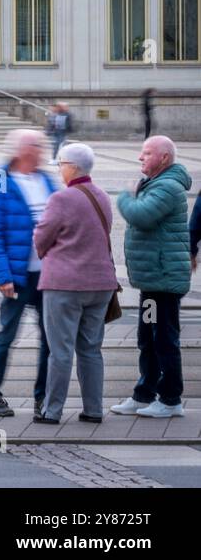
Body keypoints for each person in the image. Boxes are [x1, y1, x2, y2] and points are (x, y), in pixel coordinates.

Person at [32, 144, 120, 425]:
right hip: (102, 284)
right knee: (91, 349)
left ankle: (52, 411)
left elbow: (41, 238)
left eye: (60, 164)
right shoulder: (102, 196)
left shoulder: (62, 198)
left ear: (72, 166)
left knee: (60, 351)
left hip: (66, 285)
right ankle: (93, 409)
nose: (58, 169)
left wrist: (49, 252)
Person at [110, 136, 194, 418]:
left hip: (163, 282)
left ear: (164, 158)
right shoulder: (156, 184)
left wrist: (125, 196)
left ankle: (171, 399)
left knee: (164, 339)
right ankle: (144, 392)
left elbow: (141, 215)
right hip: (152, 282)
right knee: (147, 338)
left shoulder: (168, 187)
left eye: (147, 153)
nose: (140, 158)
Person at [0, 129, 57, 418]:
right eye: (36, 145)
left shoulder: (46, 180)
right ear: (21, 150)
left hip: (48, 274)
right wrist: (2, 275)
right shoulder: (1, 182)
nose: (42, 149)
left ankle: (43, 397)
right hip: (18, 274)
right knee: (6, 335)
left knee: (49, 338)